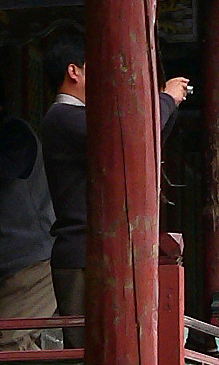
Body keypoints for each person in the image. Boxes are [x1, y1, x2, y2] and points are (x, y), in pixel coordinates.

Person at [39, 30, 189, 318]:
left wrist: (169, 106)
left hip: (96, 250)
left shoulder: (78, 119)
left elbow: (144, 146)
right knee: (87, 352)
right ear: (74, 71)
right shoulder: (62, 117)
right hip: (82, 251)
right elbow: (131, 137)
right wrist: (165, 99)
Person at [0, 60, 57, 337]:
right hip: (7, 268)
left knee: (6, 344)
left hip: (34, 264)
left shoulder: (15, 132)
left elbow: (5, 171)